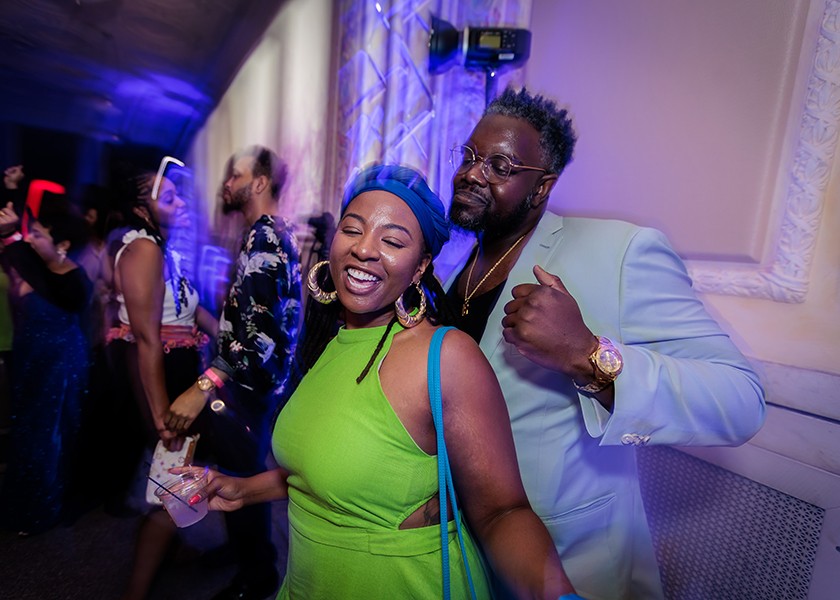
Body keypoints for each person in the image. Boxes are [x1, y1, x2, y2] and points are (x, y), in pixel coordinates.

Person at [176, 164, 581, 600]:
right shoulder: (333, 340)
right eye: (353, 230)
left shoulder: (444, 356)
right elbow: (323, 471)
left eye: (392, 241)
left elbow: (503, 512)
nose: (365, 250)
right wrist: (241, 488)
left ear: (420, 265)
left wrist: (559, 595)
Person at [438, 86, 767, 600]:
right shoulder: (453, 266)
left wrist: (587, 354)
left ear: (543, 185)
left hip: (566, 557)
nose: (471, 173)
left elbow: (741, 400)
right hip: (458, 553)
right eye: (470, 156)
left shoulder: (620, 251)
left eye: (500, 165)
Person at [166, 145, 302, 600]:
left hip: (246, 387)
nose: (227, 183)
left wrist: (203, 386)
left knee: (241, 476)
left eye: (236, 174)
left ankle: (257, 573)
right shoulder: (259, 234)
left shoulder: (265, 236)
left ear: (259, 183)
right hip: (244, 384)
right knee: (232, 471)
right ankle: (245, 551)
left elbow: (259, 338)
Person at [107, 163, 216, 600]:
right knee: (173, 484)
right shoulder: (144, 250)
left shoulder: (165, 249)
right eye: (167, 197)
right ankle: (138, 589)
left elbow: (193, 313)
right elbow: (148, 340)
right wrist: (160, 416)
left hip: (179, 372)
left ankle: (173, 549)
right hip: (162, 377)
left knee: (173, 479)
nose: (182, 202)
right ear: (141, 209)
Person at [0, 194, 92, 535]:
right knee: (26, 430)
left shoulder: (74, 282)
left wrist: (10, 236)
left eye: (38, 234)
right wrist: (11, 233)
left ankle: (41, 510)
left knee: (47, 436)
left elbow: (40, 280)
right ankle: (21, 504)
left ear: (64, 244)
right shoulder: (38, 266)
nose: (30, 238)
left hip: (59, 365)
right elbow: (17, 253)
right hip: (31, 361)